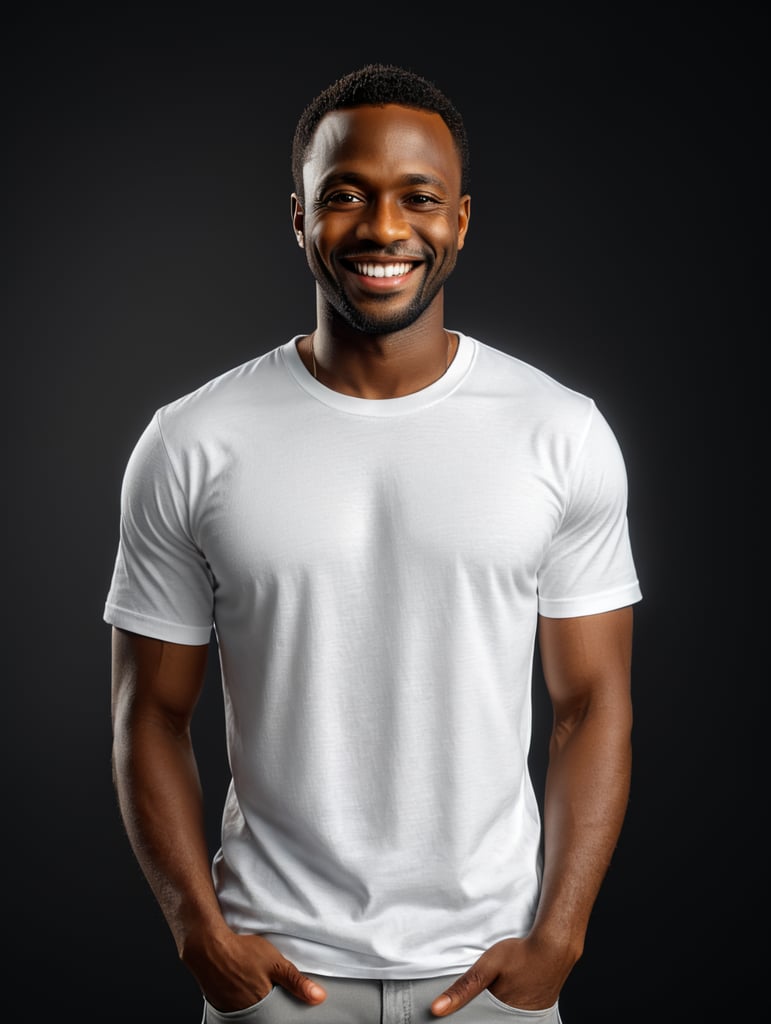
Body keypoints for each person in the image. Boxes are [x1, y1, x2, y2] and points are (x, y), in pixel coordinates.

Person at [105, 63, 642, 1023]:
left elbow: (591, 702)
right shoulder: (191, 441)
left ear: (461, 221)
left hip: (488, 975)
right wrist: (197, 931)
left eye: (417, 198)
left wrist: (560, 933)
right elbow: (148, 713)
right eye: (345, 195)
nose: (384, 229)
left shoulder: (559, 433)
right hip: (274, 977)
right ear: (301, 218)